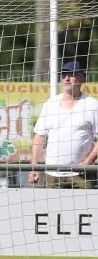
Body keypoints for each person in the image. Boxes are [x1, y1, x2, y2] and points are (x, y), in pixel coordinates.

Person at [29, 61, 98, 189]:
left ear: (82, 78)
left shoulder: (92, 105)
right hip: (52, 174)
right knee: (50, 209)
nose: (66, 78)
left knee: (86, 209)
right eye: (64, 74)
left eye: (71, 74)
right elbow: (39, 136)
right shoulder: (50, 103)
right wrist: (34, 166)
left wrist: (88, 161)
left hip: (81, 174)